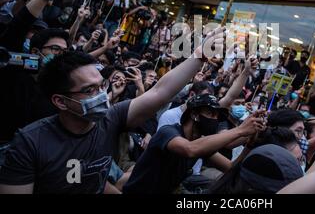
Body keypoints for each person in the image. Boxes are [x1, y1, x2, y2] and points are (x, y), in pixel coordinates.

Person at [0, 26, 226, 193]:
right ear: (60, 101)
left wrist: (199, 56)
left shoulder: (110, 119)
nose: (100, 94)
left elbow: (159, 92)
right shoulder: (29, 144)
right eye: (89, 90)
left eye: (101, 85)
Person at [122, 93, 265, 194]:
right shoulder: (169, 132)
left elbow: (230, 168)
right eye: (210, 114)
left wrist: (250, 144)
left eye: (217, 116)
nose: (215, 120)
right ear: (194, 114)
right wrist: (240, 130)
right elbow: (190, 149)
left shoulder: (201, 143)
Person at [0, 0, 68, 166]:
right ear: (35, 51)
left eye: (64, 52)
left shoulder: (58, 92)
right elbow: (19, 24)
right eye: (55, 49)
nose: (59, 55)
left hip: (33, 160)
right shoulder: (12, 69)